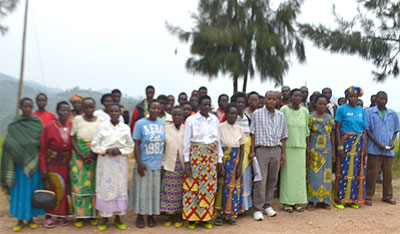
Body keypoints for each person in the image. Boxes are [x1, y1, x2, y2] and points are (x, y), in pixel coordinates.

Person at [0, 98, 44, 232]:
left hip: (34, 165)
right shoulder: (14, 125)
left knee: (31, 192)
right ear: (21, 107)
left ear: (32, 107)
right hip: (19, 166)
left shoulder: (37, 123)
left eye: (30, 106)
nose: (28, 109)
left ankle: (30, 219)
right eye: (25, 106)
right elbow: (8, 144)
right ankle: (20, 219)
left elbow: (41, 142)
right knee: (19, 192)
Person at [182, 95, 224, 230]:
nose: (207, 107)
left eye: (209, 105)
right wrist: (187, 162)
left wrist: (219, 160)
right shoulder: (191, 120)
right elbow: (186, 142)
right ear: (199, 106)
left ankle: (205, 218)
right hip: (195, 156)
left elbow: (218, 142)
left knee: (208, 188)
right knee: (192, 187)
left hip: (211, 157)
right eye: (204, 105)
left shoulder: (215, 120)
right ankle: (192, 219)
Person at [91, 104, 134, 231]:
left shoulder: (125, 128)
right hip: (105, 162)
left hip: (120, 163)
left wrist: (120, 151)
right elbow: (94, 145)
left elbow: (130, 146)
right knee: (105, 189)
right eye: (112, 111)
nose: (115, 113)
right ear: (108, 113)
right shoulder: (102, 126)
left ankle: (118, 218)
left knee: (119, 189)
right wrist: (106, 150)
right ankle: (104, 218)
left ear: (120, 113)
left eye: (117, 111)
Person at [250, 91, 288, 221]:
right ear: (265, 99)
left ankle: (268, 205)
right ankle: (257, 208)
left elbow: (283, 136)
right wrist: (252, 151)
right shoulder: (257, 113)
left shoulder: (281, 115)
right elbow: (253, 133)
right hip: (262, 150)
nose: (271, 101)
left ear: (277, 101)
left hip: (276, 150)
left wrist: (282, 153)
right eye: (269, 98)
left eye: (274, 99)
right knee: (261, 180)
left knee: (272, 180)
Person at [130, 100, 165, 228]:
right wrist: (139, 163)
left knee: (154, 192)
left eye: (158, 108)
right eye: (153, 108)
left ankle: (151, 216)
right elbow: (136, 144)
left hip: (157, 164)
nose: (156, 110)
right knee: (142, 192)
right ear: (148, 109)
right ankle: (140, 216)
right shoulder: (140, 124)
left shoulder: (162, 123)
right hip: (143, 165)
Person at [70, 97, 103, 227]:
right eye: (86, 107)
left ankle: (92, 215)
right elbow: (72, 139)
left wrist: (93, 154)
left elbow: (102, 139)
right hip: (79, 157)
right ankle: (79, 216)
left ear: (94, 107)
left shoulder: (100, 121)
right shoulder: (77, 120)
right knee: (79, 186)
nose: (89, 110)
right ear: (82, 108)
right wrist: (81, 154)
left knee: (94, 186)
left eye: (91, 107)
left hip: (95, 156)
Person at [39, 101, 72, 228]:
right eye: (62, 110)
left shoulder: (71, 125)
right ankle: (48, 216)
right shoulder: (49, 127)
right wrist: (43, 167)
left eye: (67, 110)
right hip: (51, 164)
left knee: (64, 190)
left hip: (66, 164)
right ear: (57, 111)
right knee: (51, 189)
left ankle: (62, 216)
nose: (65, 112)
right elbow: (42, 149)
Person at [334, 86, 367, 209]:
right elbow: (337, 128)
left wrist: (365, 145)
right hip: (345, 142)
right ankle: (339, 199)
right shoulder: (342, 109)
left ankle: (352, 199)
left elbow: (363, 129)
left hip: (358, 144)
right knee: (343, 171)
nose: (353, 99)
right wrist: (339, 146)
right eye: (351, 96)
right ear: (347, 97)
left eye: (355, 97)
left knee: (356, 171)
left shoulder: (361, 110)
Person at [365, 91, 400, 206]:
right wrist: (377, 143)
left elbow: (395, 130)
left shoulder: (392, 114)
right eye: (381, 99)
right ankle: (368, 196)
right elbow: (367, 130)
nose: (383, 101)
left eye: (385, 99)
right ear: (376, 100)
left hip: (388, 150)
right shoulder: (370, 112)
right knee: (372, 173)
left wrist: (392, 141)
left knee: (388, 174)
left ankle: (387, 196)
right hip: (374, 149)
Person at [280, 89, 310, 213]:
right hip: (288, 147)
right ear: (290, 97)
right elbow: (281, 131)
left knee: (299, 177)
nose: (298, 98)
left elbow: (307, 131)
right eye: (295, 95)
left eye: (300, 96)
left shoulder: (305, 111)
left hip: (301, 147)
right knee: (287, 176)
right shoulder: (284, 110)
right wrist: (281, 151)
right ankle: (287, 202)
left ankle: (298, 201)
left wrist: (308, 148)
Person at [215, 103, 245, 226]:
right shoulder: (220, 127)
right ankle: (219, 215)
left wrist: (239, 166)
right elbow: (217, 146)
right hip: (223, 161)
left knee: (233, 188)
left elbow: (242, 149)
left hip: (235, 161)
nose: (233, 116)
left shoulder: (240, 129)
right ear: (226, 114)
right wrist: (220, 163)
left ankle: (231, 214)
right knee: (221, 187)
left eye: (235, 113)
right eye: (230, 113)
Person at [306, 95, 335, 211]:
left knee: (326, 176)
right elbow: (307, 135)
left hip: (327, 150)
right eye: (320, 104)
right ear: (315, 104)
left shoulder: (329, 118)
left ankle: (323, 201)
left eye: (324, 104)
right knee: (314, 176)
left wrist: (333, 151)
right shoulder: (310, 117)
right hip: (314, 150)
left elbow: (332, 135)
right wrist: (308, 149)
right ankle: (312, 201)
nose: (322, 106)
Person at [160, 106, 185, 228]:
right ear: (172, 116)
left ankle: (179, 215)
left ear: (183, 116)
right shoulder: (166, 128)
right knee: (169, 191)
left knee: (180, 190)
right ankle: (170, 215)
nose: (177, 117)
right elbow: (163, 147)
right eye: (175, 115)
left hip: (182, 164)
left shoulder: (186, 129)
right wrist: (162, 164)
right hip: (169, 163)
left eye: (179, 115)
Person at [231, 92, 253, 212]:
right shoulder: (231, 117)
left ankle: (244, 206)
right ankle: (235, 205)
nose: (240, 104)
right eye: (238, 102)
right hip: (234, 150)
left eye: (242, 102)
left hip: (246, 150)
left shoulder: (247, 117)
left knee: (246, 178)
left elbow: (251, 134)